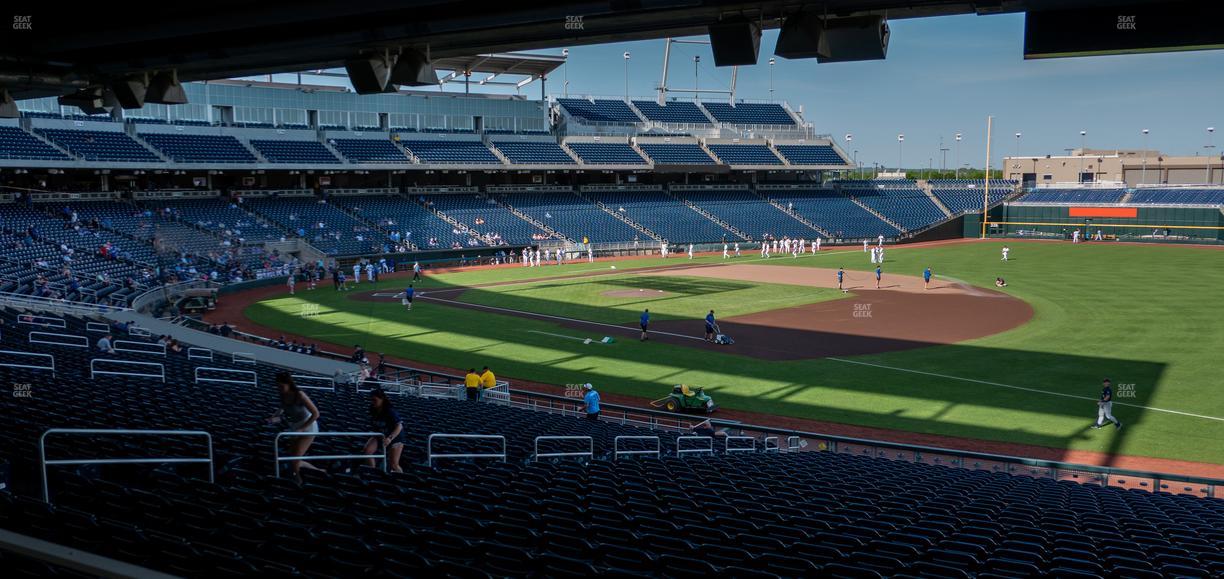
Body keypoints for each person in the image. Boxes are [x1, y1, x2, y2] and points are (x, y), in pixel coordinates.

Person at [266, 372, 321, 478]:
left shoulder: (300, 394)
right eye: (277, 386)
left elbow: (316, 414)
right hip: (295, 427)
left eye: (281, 386)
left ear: (289, 384)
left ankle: (298, 482)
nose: (279, 388)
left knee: (294, 459)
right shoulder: (282, 394)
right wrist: (272, 418)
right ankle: (319, 471)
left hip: (308, 427)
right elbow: (281, 410)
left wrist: (302, 428)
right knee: (292, 459)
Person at [364, 389, 404, 473]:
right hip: (381, 435)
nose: (372, 402)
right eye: (371, 400)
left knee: (394, 465)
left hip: (395, 437)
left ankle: (405, 482)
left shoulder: (390, 411)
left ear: (382, 399)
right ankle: (372, 473)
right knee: (367, 451)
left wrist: (390, 438)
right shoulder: (373, 409)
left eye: (375, 400)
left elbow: (399, 426)